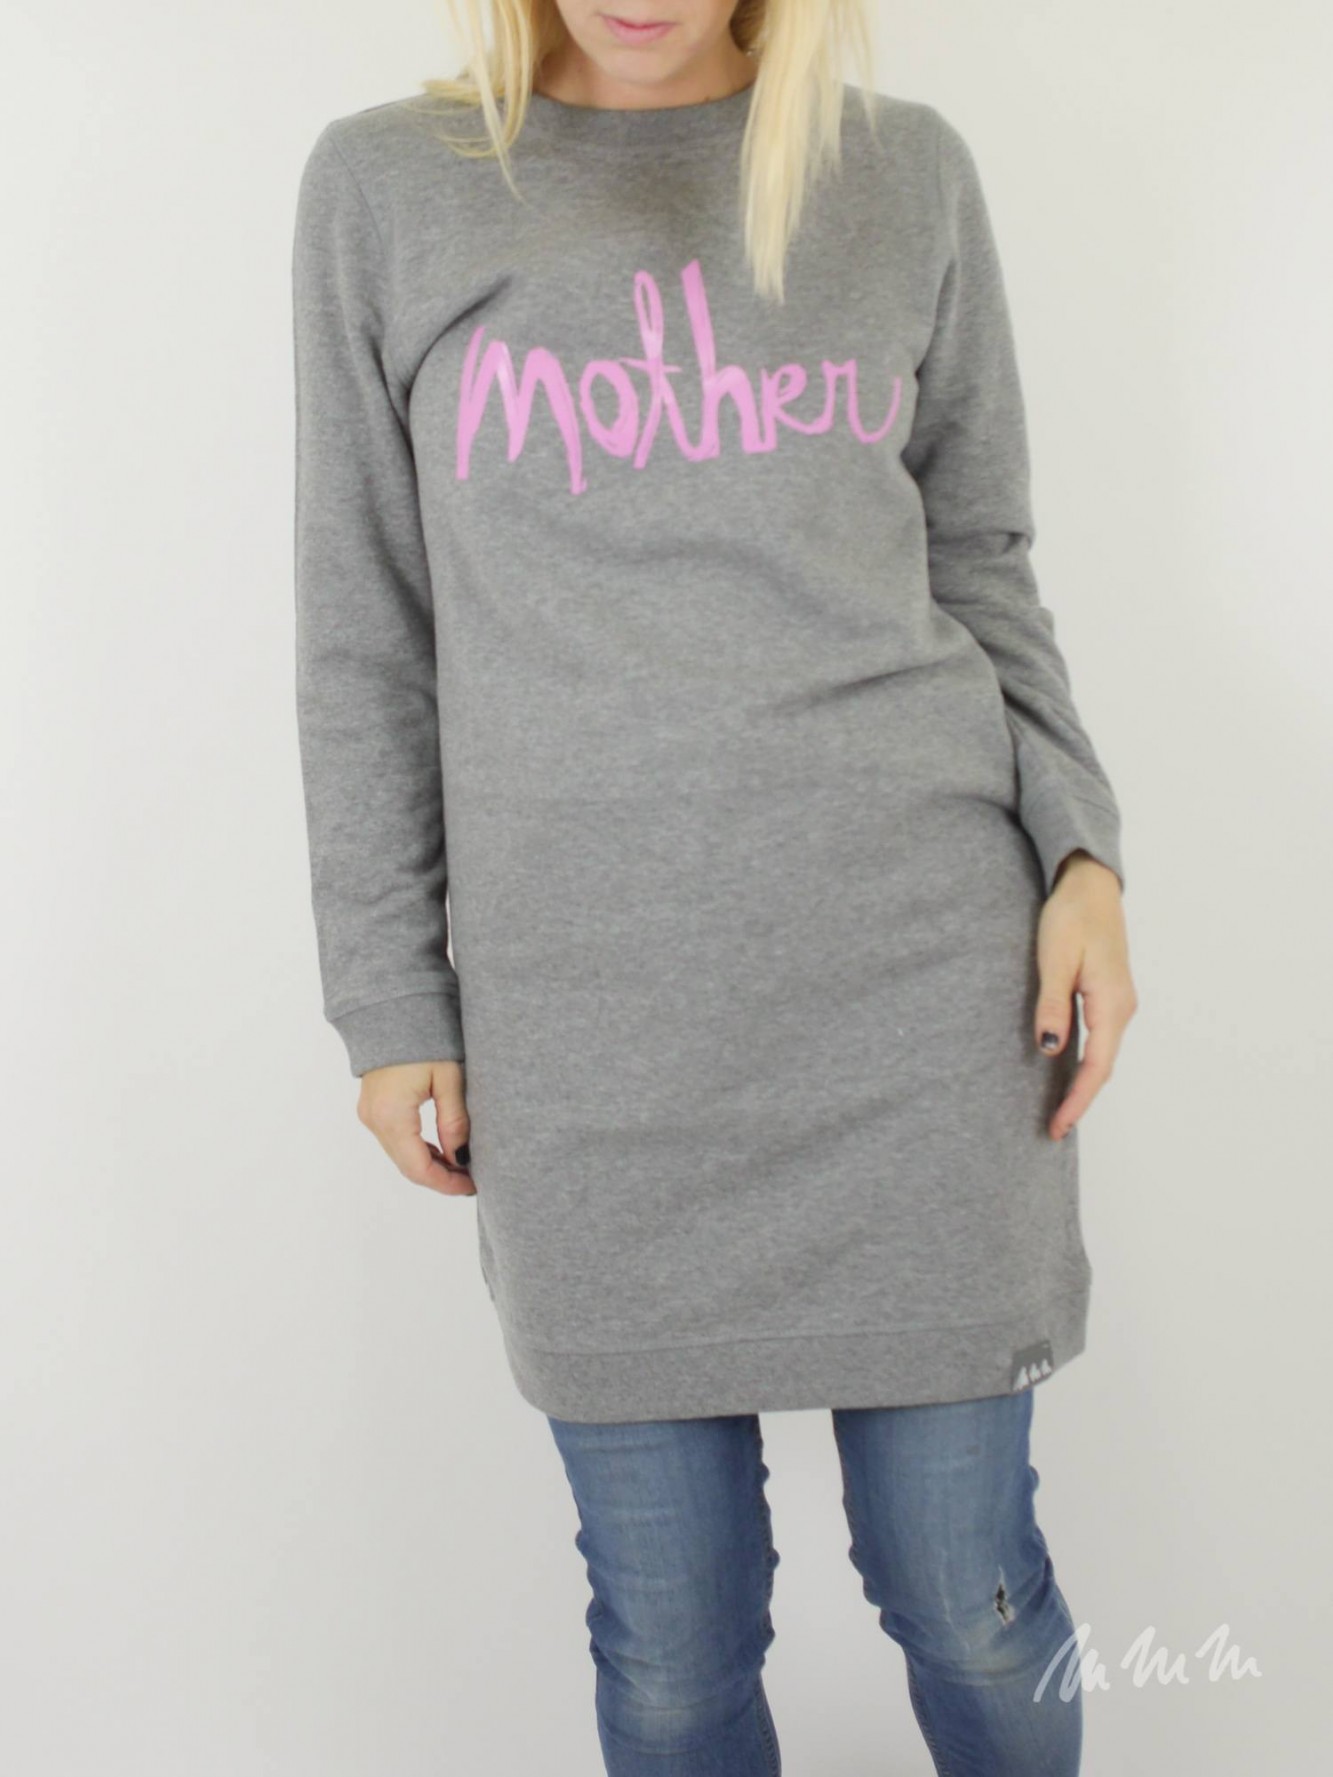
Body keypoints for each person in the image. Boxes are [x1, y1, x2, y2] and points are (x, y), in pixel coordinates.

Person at [290, 2, 1139, 1771]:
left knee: (966, 1597)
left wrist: (1078, 852)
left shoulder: (901, 174)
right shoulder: (389, 187)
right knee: (672, 1641)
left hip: (918, 995)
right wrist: (386, 994)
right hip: (589, 1036)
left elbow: (981, 557)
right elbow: (365, 627)